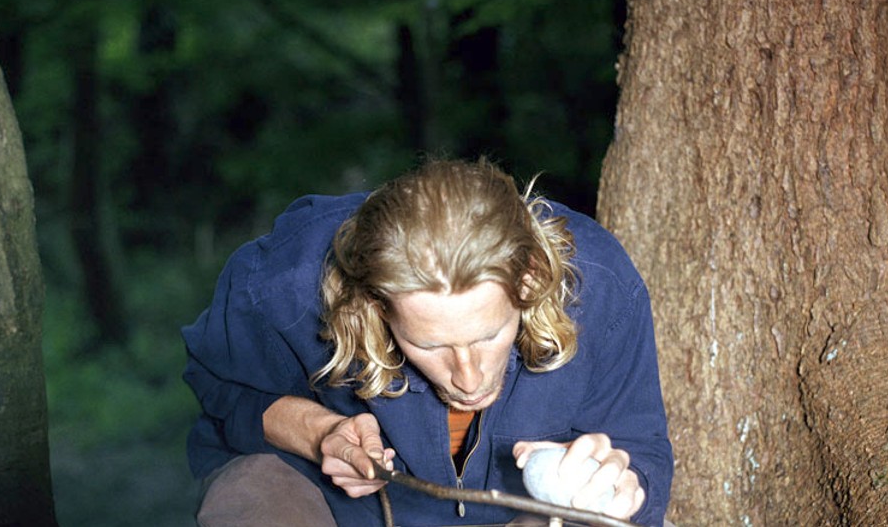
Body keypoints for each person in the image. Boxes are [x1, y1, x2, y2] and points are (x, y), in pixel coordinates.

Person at [182, 158, 673, 526]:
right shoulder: (286, 284)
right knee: (253, 494)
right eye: (432, 346)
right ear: (374, 305)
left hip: (512, 517)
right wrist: (318, 432)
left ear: (529, 282)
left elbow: (640, 448)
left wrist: (617, 490)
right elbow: (222, 387)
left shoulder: (599, 287)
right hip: (330, 507)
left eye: (489, 335)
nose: (468, 376)